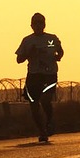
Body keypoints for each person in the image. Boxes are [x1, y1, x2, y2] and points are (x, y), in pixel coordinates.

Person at [16, 12, 64, 142]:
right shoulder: (27, 41)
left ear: (44, 24)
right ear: (31, 25)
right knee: (33, 103)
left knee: (45, 99)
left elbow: (60, 51)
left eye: (40, 23)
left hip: (49, 75)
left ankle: (49, 121)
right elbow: (19, 59)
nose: (38, 25)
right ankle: (42, 131)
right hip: (33, 75)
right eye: (35, 23)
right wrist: (28, 53)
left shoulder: (51, 39)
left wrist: (58, 56)